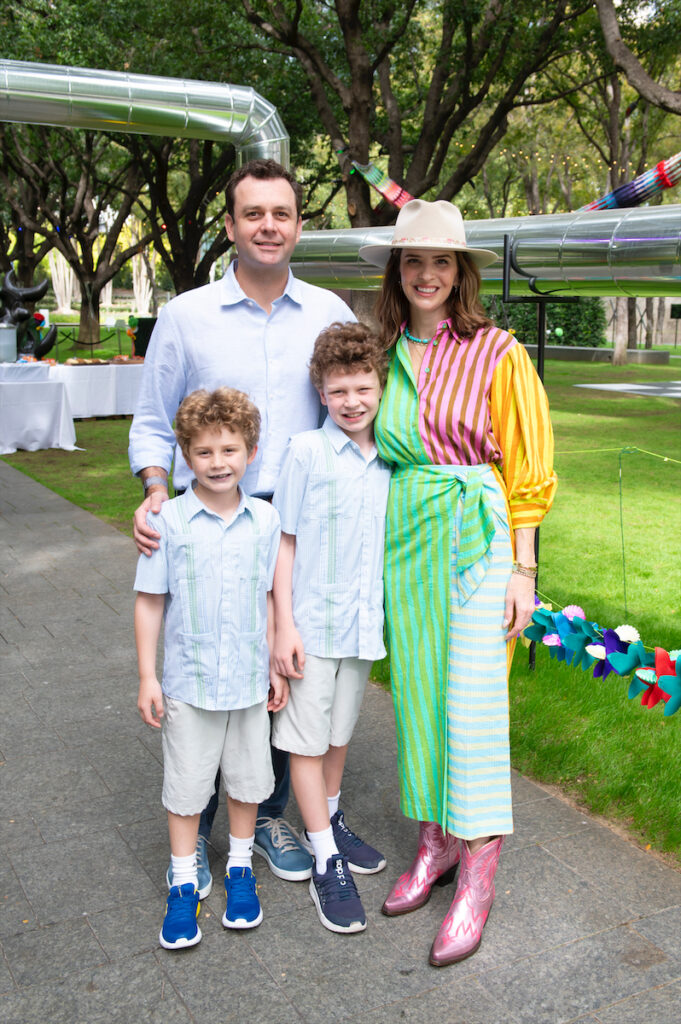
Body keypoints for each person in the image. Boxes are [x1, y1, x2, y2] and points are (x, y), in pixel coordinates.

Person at [129, 159, 356, 891]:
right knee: (211, 659)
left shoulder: (328, 313)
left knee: (287, 666)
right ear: (229, 225)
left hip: (299, 526)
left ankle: (268, 812)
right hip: (208, 514)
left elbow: (349, 419)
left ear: (298, 225)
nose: (267, 226)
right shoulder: (185, 315)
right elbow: (151, 420)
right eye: (252, 213)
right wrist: (156, 491)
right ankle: (208, 815)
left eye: (281, 214)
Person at [359, 200, 557, 966]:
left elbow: (527, 465)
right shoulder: (381, 351)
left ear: (461, 271)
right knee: (416, 696)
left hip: (478, 538)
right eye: (414, 261)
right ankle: (434, 841)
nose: (427, 273)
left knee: (471, 701)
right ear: (396, 270)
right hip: (405, 542)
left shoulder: (497, 351)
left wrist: (522, 567)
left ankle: (478, 868)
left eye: (441, 261)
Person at [134, 387, 286, 949]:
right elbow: (150, 600)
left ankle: (241, 870)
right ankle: (181, 883)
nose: (218, 463)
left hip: (247, 682)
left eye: (229, 450)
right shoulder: (167, 521)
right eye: (203, 452)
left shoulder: (265, 521)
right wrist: (148, 676)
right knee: (187, 788)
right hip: (189, 684)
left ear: (250, 451)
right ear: (184, 455)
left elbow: (270, 595)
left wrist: (273, 662)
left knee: (248, 781)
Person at [271, 322, 391, 934]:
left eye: (363, 387)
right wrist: (282, 626)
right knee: (305, 742)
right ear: (321, 391)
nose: (352, 400)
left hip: (362, 626)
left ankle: (331, 820)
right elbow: (284, 543)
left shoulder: (390, 459)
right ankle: (325, 858)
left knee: (340, 734)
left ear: (380, 386)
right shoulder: (306, 452)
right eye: (339, 389)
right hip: (311, 628)